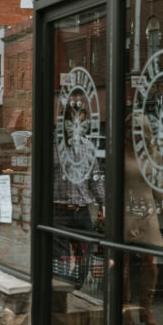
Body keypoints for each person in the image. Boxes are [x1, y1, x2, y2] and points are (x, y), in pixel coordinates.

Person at [123, 113, 163, 325]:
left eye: (136, 129)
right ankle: (125, 308)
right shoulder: (119, 153)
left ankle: (146, 309)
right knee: (123, 262)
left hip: (148, 211)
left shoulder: (155, 155)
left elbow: (159, 188)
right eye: (128, 129)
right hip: (125, 210)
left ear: (144, 132)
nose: (131, 133)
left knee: (150, 263)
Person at [52, 106, 105, 287]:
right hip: (59, 211)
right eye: (73, 121)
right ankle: (62, 294)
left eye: (81, 121)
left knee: (86, 256)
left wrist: (103, 205)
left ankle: (73, 287)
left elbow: (95, 179)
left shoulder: (88, 146)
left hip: (82, 212)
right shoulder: (54, 145)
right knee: (61, 260)